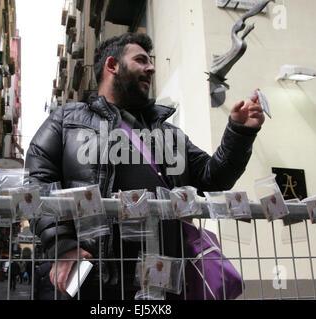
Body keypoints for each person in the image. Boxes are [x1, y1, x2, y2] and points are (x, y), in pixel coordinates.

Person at [26, 32, 264, 300]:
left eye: (150, 61)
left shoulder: (170, 135)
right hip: (95, 280)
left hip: (163, 280)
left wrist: (239, 133)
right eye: (140, 60)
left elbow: (214, 177)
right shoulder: (66, 121)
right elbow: (37, 182)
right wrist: (62, 244)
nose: (151, 67)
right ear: (112, 65)